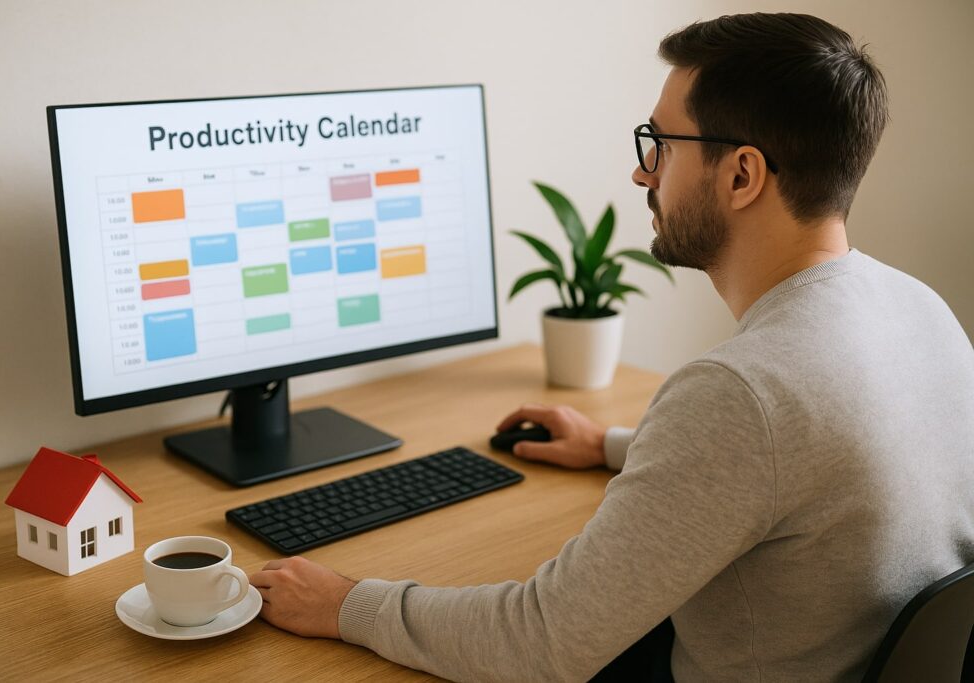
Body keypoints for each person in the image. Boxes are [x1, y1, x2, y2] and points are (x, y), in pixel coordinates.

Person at [248, 12, 974, 681]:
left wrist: (346, 603)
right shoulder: (919, 307)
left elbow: (543, 640)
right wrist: (618, 445)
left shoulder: (741, 393)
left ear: (742, 175)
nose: (642, 171)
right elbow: (810, 464)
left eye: (661, 144)